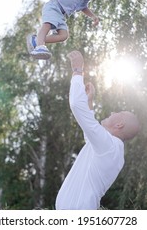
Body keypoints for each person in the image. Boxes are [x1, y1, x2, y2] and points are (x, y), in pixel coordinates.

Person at [55, 50, 140, 210]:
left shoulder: (110, 146)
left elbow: (75, 105)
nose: (113, 112)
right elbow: (90, 135)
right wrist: (90, 101)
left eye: (118, 113)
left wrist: (77, 70)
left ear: (120, 125)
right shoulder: (108, 148)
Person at [26, 0, 109, 60]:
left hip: (61, 15)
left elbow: (84, 8)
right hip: (54, 6)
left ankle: (36, 40)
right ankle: (40, 46)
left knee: (64, 35)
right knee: (48, 24)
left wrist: (93, 16)